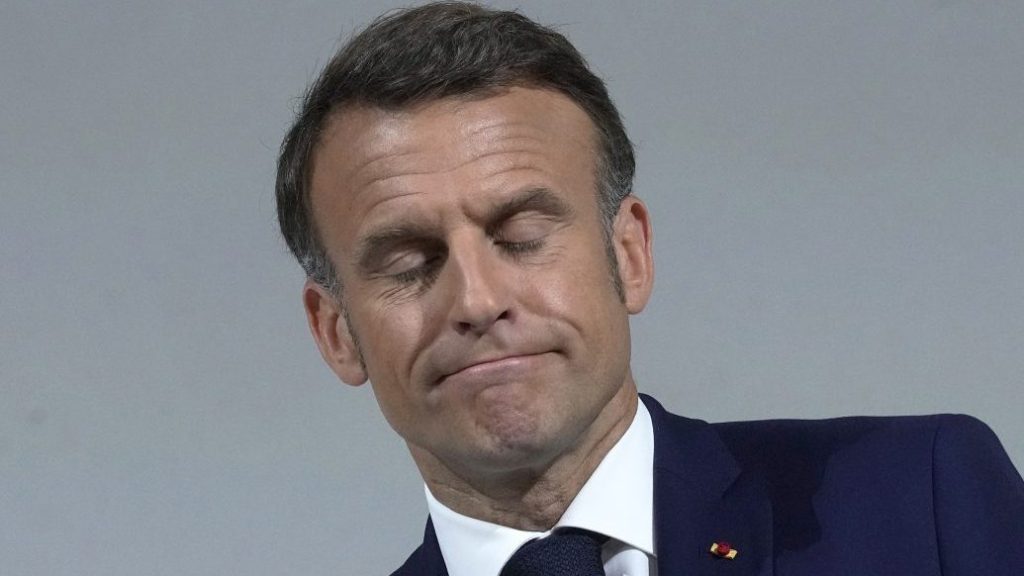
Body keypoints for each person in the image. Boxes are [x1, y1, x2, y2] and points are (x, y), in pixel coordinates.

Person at [275, 3, 1024, 574]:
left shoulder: (921, 503)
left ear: (629, 254)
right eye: (410, 263)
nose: (475, 300)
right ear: (336, 333)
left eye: (522, 236)